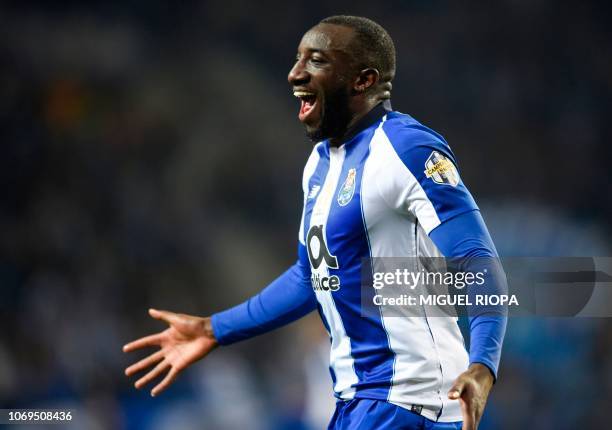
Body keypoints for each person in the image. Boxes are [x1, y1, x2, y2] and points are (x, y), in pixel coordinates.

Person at [124, 15, 506, 430]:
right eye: (297, 59)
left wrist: (483, 365)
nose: (294, 73)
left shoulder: (407, 148)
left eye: (316, 61)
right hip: (355, 404)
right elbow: (311, 278)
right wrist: (214, 330)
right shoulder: (320, 164)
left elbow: (476, 260)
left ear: (364, 80)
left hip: (408, 404)